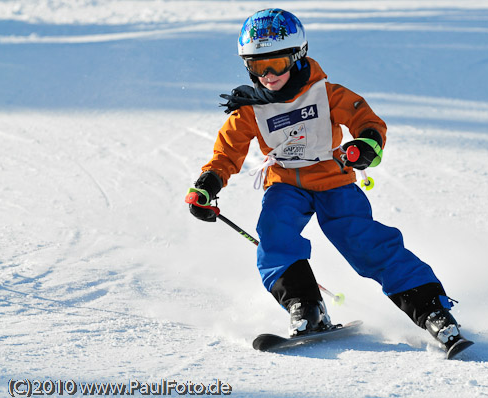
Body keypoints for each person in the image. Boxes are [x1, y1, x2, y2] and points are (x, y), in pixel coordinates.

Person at [188, 8, 469, 353]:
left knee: (363, 241)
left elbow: (368, 122)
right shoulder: (249, 109)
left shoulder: (325, 93)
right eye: (259, 67)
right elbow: (226, 154)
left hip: (333, 180)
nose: (270, 75)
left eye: (277, 62)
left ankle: (431, 310)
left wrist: (364, 147)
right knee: (275, 233)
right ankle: (304, 306)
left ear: (297, 55)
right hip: (286, 184)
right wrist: (207, 185)